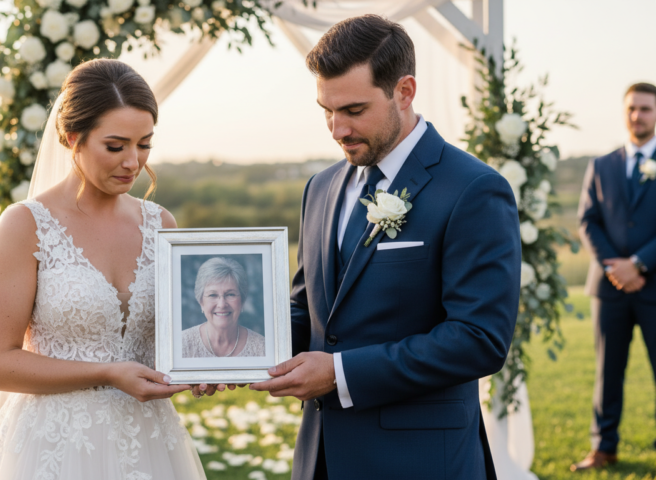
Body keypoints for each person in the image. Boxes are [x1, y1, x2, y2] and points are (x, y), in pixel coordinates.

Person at [249, 15, 521, 479]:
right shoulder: (320, 187)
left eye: (354, 111)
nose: (337, 130)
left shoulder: (473, 189)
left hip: (420, 462)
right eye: (327, 111)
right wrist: (229, 350)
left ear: (405, 91)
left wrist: (339, 374)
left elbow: (478, 340)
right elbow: (307, 312)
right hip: (321, 457)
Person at [0, 59, 205, 479]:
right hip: (54, 445)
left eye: (144, 144)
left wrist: (205, 365)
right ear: (71, 137)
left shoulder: (161, 224)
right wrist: (108, 373)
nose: (133, 161)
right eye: (115, 146)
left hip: (148, 439)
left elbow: (177, 340)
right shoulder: (25, 225)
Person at [572, 82, 656, 471]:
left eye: (646, 109)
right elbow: (587, 220)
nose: (637, 115)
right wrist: (615, 266)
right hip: (609, 287)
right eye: (632, 108)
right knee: (608, 373)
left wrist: (639, 263)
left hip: (653, 283)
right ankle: (603, 449)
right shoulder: (602, 164)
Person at [182, 257, 265, 358]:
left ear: (242, 301)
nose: (222, 304)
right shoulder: (181, 345)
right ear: (201, 302)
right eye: (212, 295)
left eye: (230, 294)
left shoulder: (262, 348)